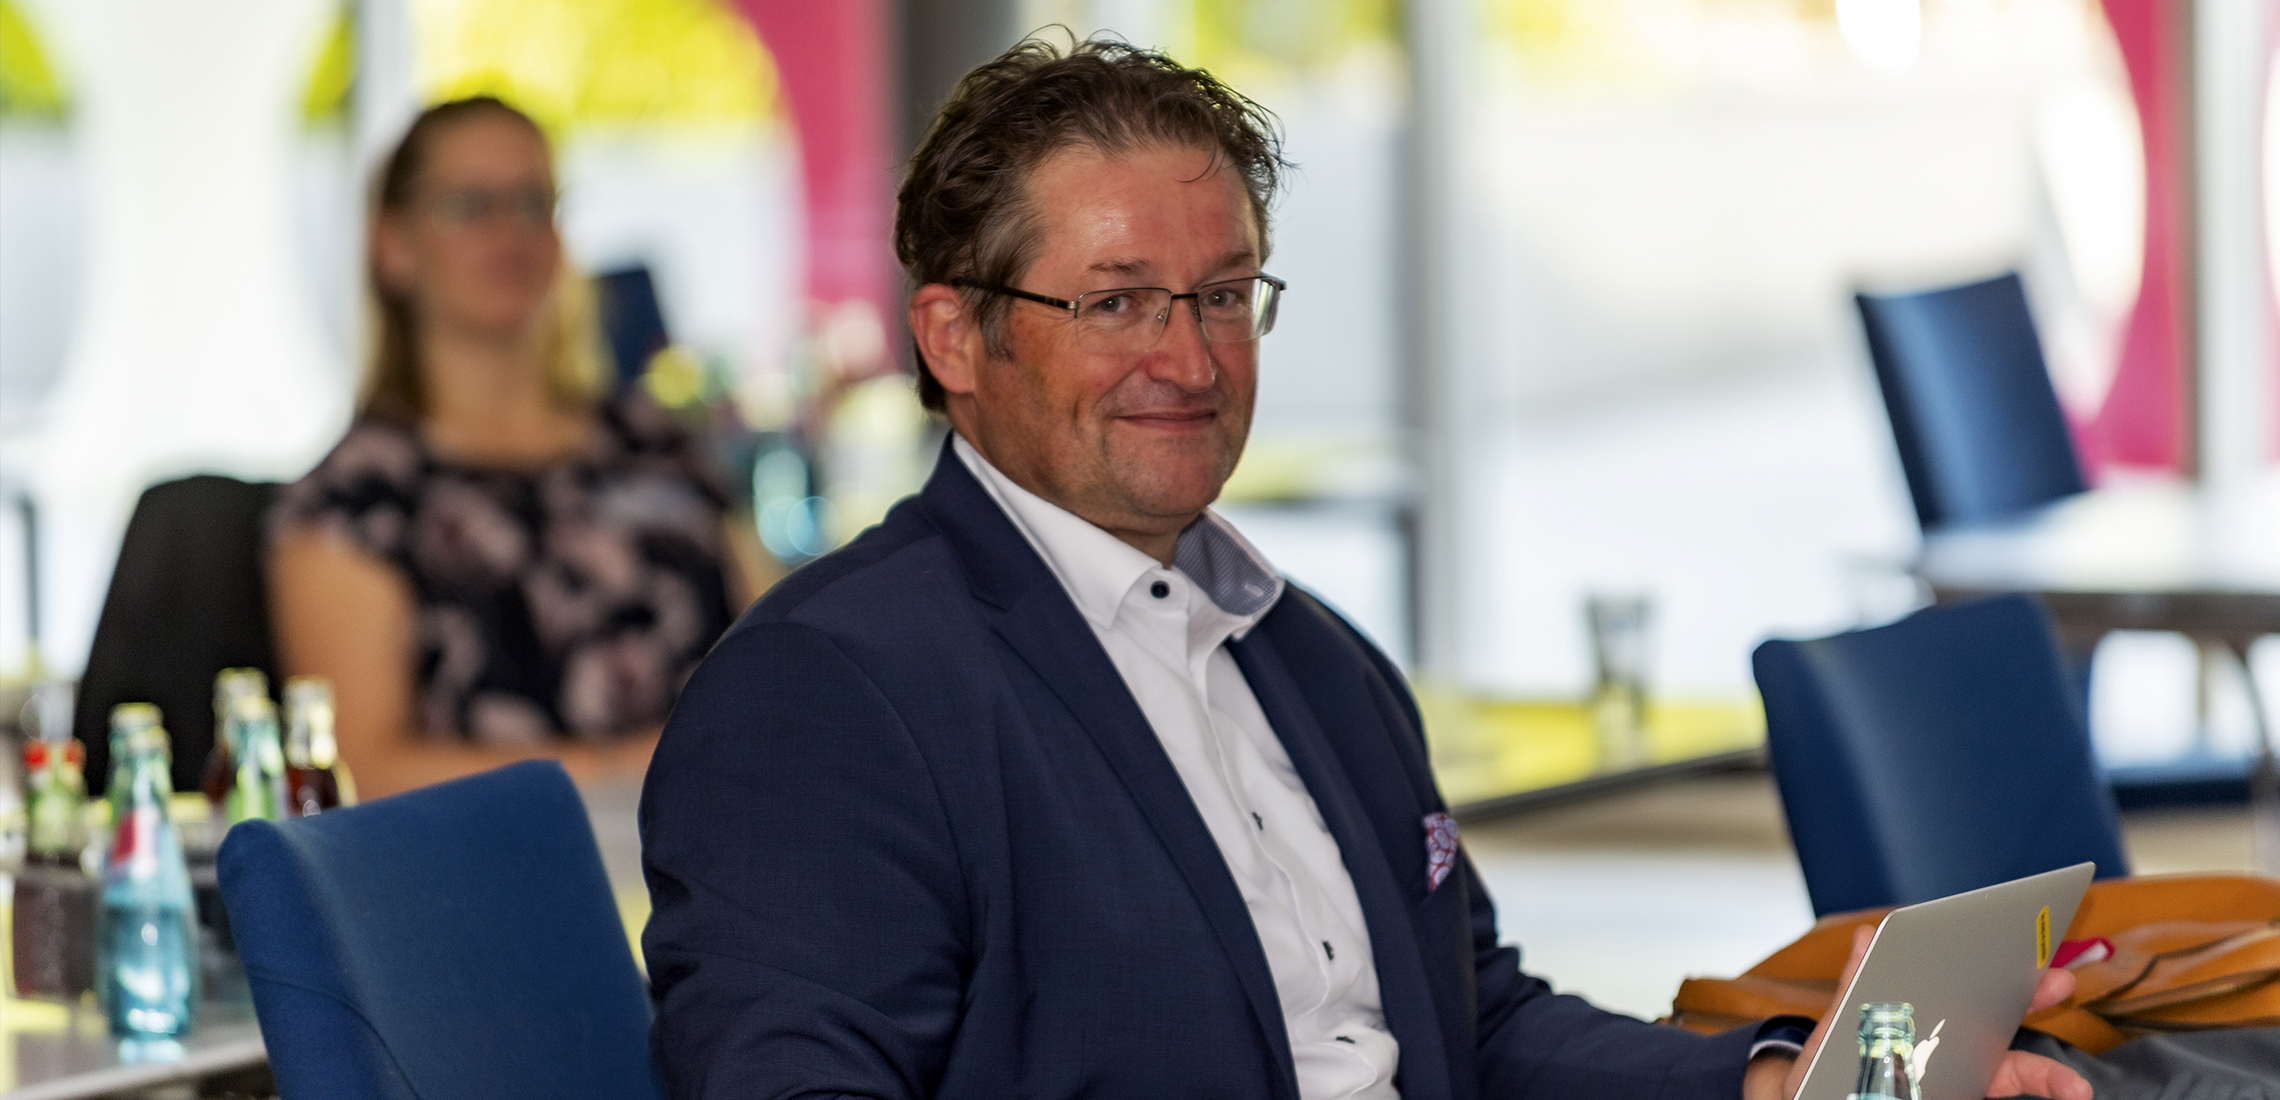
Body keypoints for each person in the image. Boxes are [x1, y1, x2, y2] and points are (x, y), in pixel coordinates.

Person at [639, 39, 2089, 1100]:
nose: (1190, 359)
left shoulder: (1309, 653)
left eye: (1223, 294)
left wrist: (1786, 1082)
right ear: (956, 338)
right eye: (1118, 302)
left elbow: (1478, 1025)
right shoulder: (829, 688)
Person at [269, 97, 759, 800]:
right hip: (504, 861)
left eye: (534, 204)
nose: (510, 234)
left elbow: (787, 643)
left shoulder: (656, 443)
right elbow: (358, 771)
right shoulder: (352, 500)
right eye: (470, 206)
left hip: (729, 837)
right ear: (392, 245)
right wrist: (635, 770)